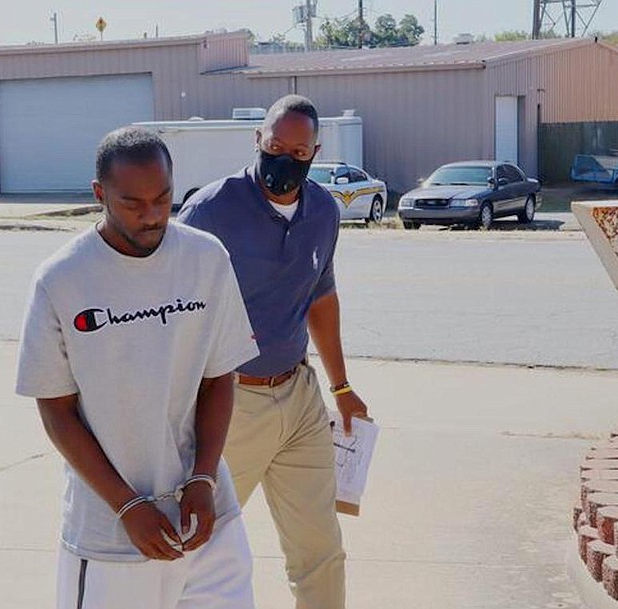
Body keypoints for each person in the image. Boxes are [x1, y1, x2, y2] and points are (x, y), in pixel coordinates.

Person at [15, 126, 259, 609]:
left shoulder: (206, 258)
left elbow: (217, 378)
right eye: (132, 203)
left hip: (208, 523)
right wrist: (127, 505)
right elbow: (57, 410)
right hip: (112, 537)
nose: (152, 216)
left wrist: (204, 480)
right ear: (99, 194)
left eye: (163, 198)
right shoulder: (62, 279)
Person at [178, 94, 368, 609]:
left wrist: (342, 386)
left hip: (299, 396)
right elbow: (174, 311)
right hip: (231, 404)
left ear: (315, 152)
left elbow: (321, 297)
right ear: (257, 140)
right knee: (201, 547)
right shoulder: (211, 210)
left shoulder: (323, 210)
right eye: (275, 145)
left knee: (320, 547)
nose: (284, 158)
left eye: (299, 150)